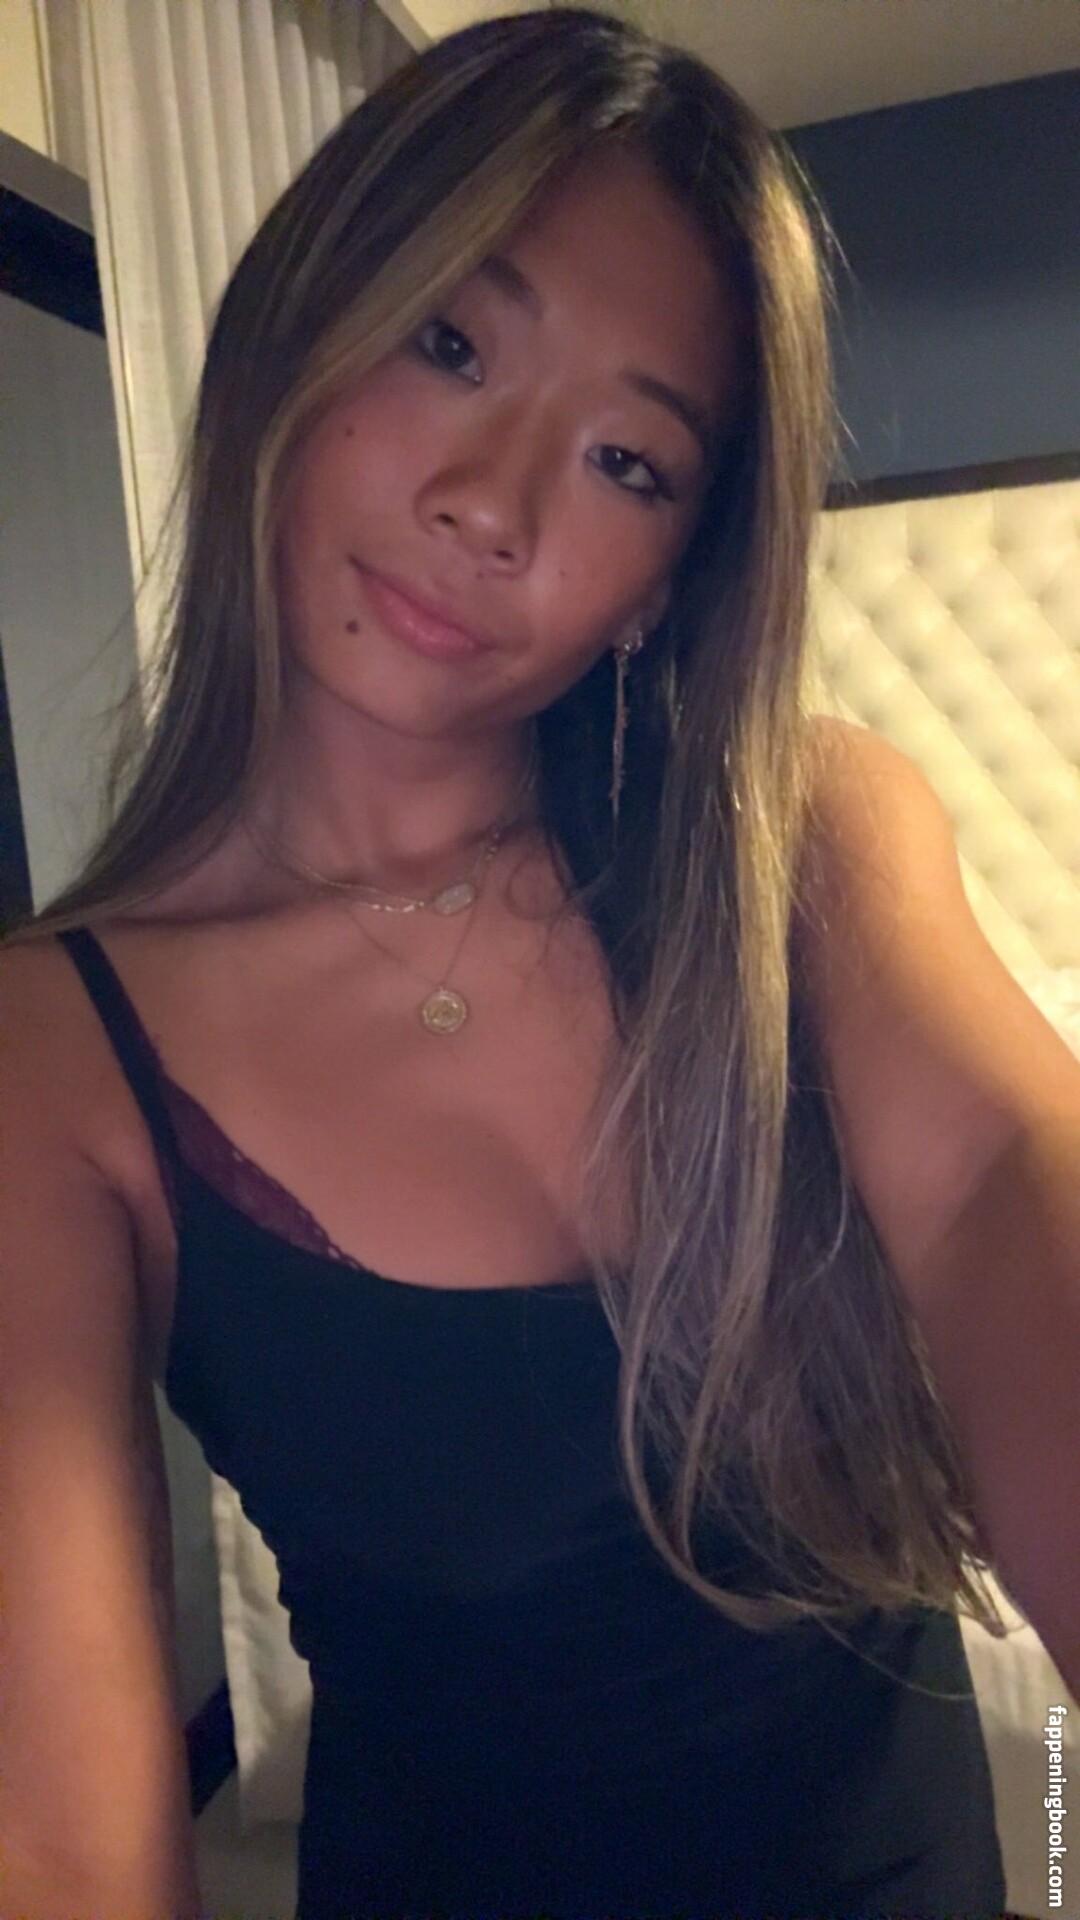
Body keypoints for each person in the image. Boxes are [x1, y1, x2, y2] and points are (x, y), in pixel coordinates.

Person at [9, 5, 1080, 1913]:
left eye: (624, 462)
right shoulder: (53, 1054)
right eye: (449, 344)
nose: (491, 508)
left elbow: (1011, 1186)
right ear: (305, 317)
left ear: (672, 573)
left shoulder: (799, 843)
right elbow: (62, 1846)